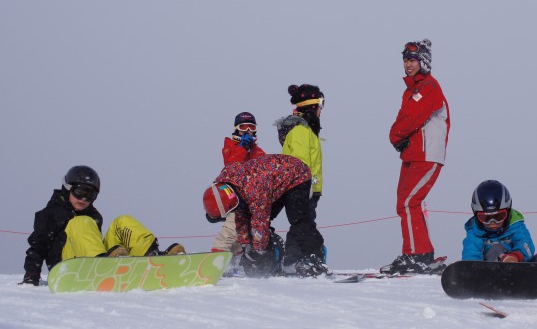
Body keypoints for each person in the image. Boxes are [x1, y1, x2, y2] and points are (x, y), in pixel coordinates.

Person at [21, 165, 185, 286]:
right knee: (81, 222)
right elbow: (38, 244)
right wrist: (31, 274)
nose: (84, 199)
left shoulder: (94, 216)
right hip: (68, 267)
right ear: (68, 189)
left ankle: (151, 258)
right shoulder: (49, 213)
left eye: (90, 195)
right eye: (80, 192)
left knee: (122, 220)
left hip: (94, 257)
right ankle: (101, 265)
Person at [381, 39, 450, 275]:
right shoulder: (410, 91)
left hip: (427, 154)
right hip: (412, 154)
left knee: (410, 202)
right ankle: (417, 251)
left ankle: (416, 255)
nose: (408, 65)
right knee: (405, 203)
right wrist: (398, 135)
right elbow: (404, 117)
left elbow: (412, 118)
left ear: (423, 62)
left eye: (413, 60)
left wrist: (394, 135)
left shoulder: (429, 87)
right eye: (406, 60)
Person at [203, 154, 328, 278]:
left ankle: (314, 258)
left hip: (296, 175)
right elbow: (241, 221)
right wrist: (247, 246)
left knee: (298, 219)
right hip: (272, 183)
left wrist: (258, 251)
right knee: (253, 227)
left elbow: (260, 223)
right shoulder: (230, 190)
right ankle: (272, 258)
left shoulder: (253, 191)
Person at [462, 180, 537, 263]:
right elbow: (470, 255)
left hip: (520, 268)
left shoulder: (515, 225)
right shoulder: (475, 233)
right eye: (486, 218)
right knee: (496, 249)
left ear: (507, 212)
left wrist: (515, 257)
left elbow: (526, 244)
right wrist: (471, 271)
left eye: (499, 216)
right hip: (492, 274)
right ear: (476, 216)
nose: (492, 222)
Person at [213, 111, 267, 258]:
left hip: (251, 197)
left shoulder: (257, 151)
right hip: (235, 196)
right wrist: (243, 148)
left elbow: (263, 169)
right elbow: (232, 165)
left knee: (243, 230)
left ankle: (235, 261)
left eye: (251, 127)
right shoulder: (230, 145)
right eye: (243, 127)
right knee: (231, 226)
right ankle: (217, 256)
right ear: (237, 128)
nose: (248, 131)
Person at [274, 84, 325, 219]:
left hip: (307, 190)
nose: (322, 109)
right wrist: (307, 188)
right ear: (312, 107)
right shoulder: (301, 131)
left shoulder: (308, 131)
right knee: (303, 229)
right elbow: (300, 163)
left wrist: (315, 189)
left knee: (303, 228)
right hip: (300, 190)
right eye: (320, 105)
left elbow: (314, 165)